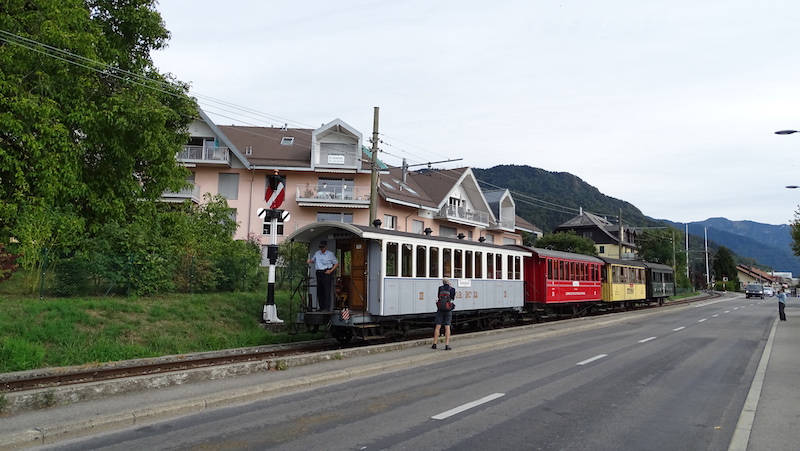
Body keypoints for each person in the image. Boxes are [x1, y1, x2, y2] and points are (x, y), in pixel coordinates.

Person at [307, 240, 339, 311]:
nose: (321, 249)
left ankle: (326, 307)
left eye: (322, 247)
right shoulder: (317, 253)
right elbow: (313, 260)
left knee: (326, 290)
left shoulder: (330, 254)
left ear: (326, 247)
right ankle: (321, 307)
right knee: (320, 290)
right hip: (319, 272)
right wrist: (310, 261)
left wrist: (330, 271)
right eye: (320, 247)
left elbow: (336, 263)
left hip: (326, 272)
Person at [432, 278, 456, 350]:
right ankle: (447, 345)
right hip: (448, 309)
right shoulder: (452, 289)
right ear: (448, 282)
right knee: (447, 326)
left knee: (438, 326)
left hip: (440, 309)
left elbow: (438, 296)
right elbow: (452, 298)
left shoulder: (440, 288)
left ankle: (434, 344)